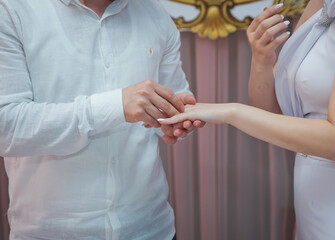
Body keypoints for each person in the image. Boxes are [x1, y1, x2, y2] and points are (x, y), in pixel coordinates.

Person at [0, 0, 203, 239]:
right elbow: (7, 126)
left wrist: (175, 122)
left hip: (152, 229)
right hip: (50, 232)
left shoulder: (155, 11)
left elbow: (172, 102)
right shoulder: (12, 10)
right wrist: (115, 106)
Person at [159, 0, 335, 239]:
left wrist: (230, 112)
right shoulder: (319, 3)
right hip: (314, 199)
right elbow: (274, 113)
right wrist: (261, 59)